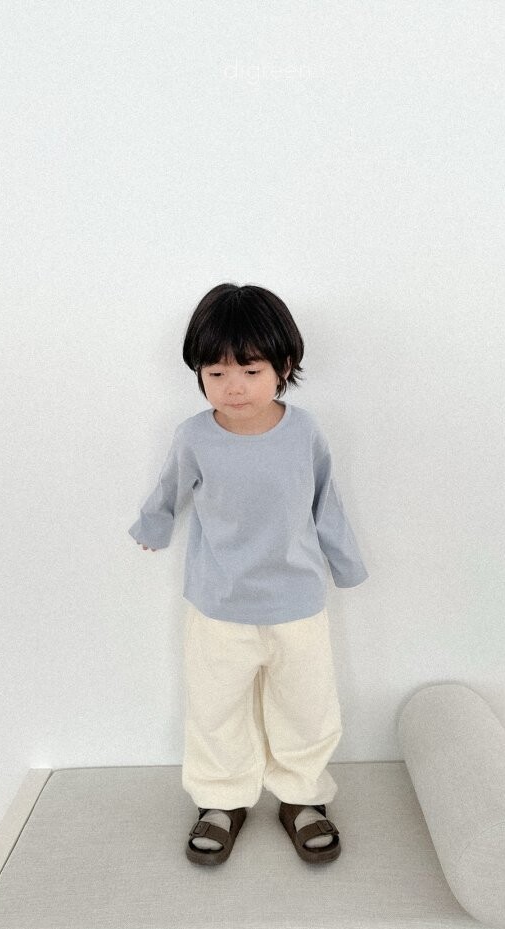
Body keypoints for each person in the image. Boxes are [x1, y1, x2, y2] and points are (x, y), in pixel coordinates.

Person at [129, 283, 368, 865]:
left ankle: (302, 796)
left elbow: (326, 502)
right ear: (199, 374)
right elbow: (169, 489)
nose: (233, 387)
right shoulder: (194, 437)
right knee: (215, 710)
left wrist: (346, 563)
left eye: (251, 370)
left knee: (306, 707)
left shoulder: (304, 431)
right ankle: (221, 799)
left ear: (283, 367)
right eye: (216, 373)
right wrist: (153, 525)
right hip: (219, 606)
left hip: (297, 603)